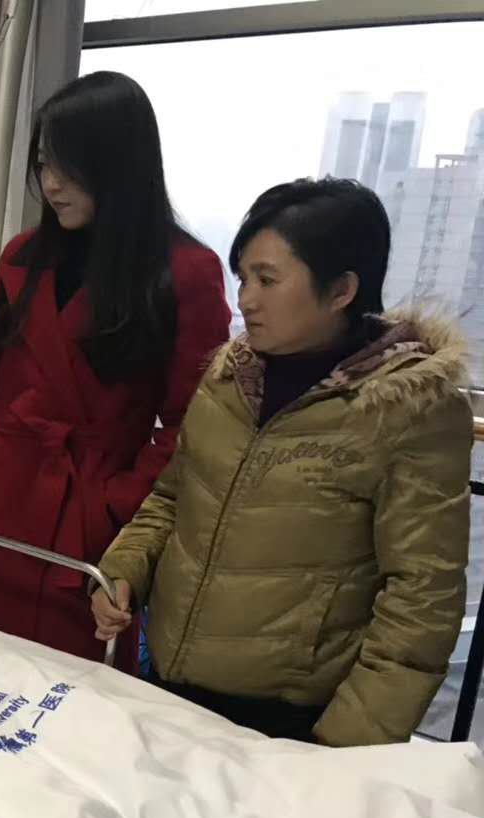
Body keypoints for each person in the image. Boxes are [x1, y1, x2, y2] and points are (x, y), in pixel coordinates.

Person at [92, 178, 471, 746]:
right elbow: (172, 499)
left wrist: (344, 744)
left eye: (267, 280)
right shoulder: (230, 377)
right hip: (169, 681)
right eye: (243, 278)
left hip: (291, 721)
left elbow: (422, 599)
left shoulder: (410, 409)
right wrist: (121, 571)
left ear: (341, 290)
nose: (246, 299)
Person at [0, 72, 230, 666]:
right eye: (44, 163)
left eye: (69, 166)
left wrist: (114, 506)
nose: (51, 183)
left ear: (117, 163)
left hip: (87, 531)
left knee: (62, 701)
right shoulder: (24, 254)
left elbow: (192, 428)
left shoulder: (184, 272)